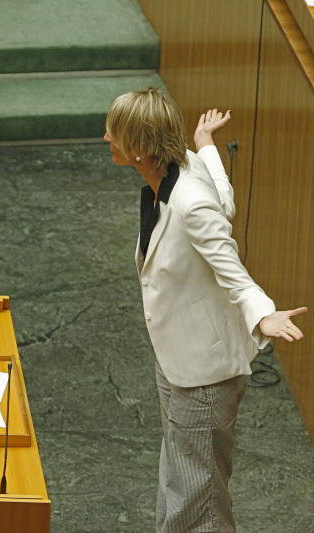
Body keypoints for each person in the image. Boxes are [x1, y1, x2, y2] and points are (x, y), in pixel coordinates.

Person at [103, 87, 307, 532]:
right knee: (183, 478)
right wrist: (208, 144)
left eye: (113, 133)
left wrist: (262, 314)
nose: (106, 139)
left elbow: (230, 265)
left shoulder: (189, 202)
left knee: (199, 497)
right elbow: (225, 201)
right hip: (179, 358)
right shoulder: (185, 166)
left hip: (206, 375)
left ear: (139, 149)